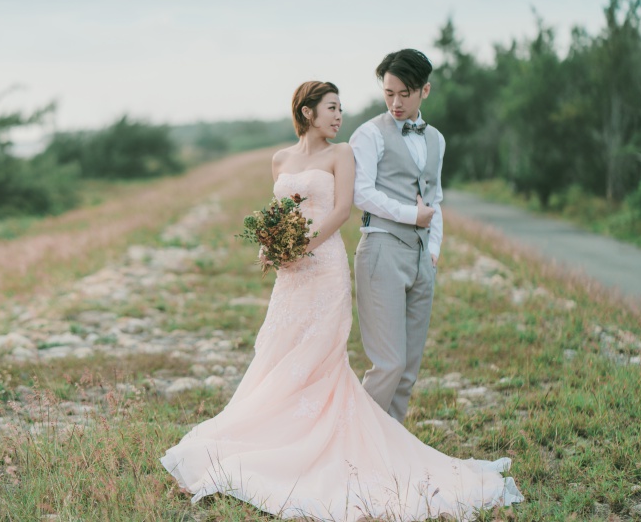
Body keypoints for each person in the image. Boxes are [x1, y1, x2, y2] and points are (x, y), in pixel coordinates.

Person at [161, 80, 522, 520]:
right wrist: (271, 245)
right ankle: (276, 437)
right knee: (278, 353)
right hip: (290, 277)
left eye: (341, 109)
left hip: (325, 268)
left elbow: (341, 212)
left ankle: (330, 446)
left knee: (320, 358)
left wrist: (302, 247)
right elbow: (280, 213)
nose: (339, 116)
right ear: (308, 112)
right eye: (331, 108)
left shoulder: (343, 154)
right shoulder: (280, 160)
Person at [348, 48, 443, 423]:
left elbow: (437, 197)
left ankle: (391, 455)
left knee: (408, 371)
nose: (396, 102)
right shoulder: (370, 133)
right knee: (388, 364)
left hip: (422, 259)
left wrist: (433, 249)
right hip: (382, 250)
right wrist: (411, 216)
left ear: (425, 91)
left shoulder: (437, 138)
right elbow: (361, 193)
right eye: (389, 93)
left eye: (405, 93)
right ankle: (355, 450)